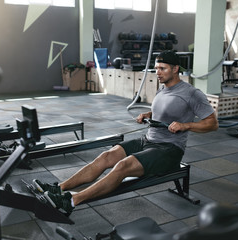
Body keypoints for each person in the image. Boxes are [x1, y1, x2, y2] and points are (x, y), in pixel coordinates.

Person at [33, 50, 219, 215]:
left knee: (123, 166)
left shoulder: (192, 93)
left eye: (162, 68)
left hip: (169, 150)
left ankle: (71, 201)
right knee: (106, 156)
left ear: (176, 69)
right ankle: (59, 188)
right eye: (156, 68)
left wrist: (186, 125)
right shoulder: (163, 88)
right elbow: (163, 112)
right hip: (148, 140)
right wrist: (147, 114)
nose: (157, 72)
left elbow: (212, 124)